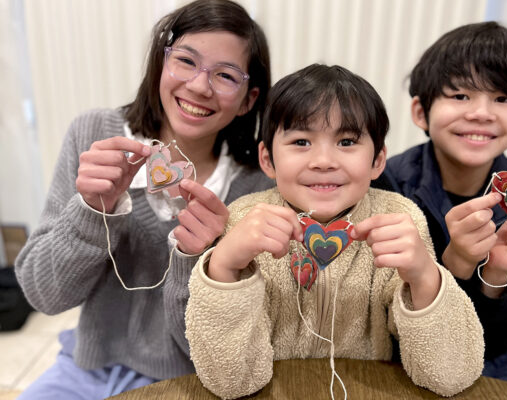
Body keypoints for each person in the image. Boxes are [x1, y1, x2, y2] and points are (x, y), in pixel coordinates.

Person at [14, 0, 273, 398]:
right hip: (85, 369)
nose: (200, 86)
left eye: (225, 75)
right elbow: (44, 296)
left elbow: (225, 348)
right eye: (186, 61)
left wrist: (202, 261)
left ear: (249, 99)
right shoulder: (95, 135)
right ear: (161, 64)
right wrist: (92, 211)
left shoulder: (256, 185)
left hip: (190, 381)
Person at [184, 64, 484, 399]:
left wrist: (425, 276)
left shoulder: (399, 217)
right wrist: (223, 266)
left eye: (346, 141)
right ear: (268, 159)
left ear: (377, 160)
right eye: (301, 141)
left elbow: (449, 377)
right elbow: (229, 382)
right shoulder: (244, 220)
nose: (324, 160)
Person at [372, 21, 507, 386]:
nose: (482, 112)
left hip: (499, 356)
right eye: (460, 96)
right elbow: (388, 328)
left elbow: (494, 343)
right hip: (404, 354)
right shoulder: (385, 186)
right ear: (420, 112)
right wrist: (456, 263)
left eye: (503, 98)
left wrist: (495, 276)